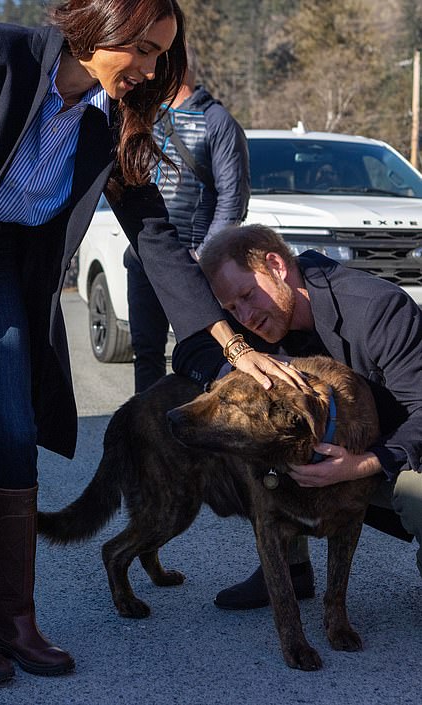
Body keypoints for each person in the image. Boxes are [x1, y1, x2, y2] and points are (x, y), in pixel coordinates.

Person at [0, 0, 298, 687]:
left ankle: (15, 620)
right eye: (141, 48)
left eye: (162, 54)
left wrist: (229, 343)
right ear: (100, 28)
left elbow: (156, 238)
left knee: (16, 432)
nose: (151, 68)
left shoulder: (112, 119)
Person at [176, 223, 422, 609]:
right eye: (231, 310)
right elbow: (188, 352)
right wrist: (242, 365)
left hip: (394, 450)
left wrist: (361, 465)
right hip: (323, 454)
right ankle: (288, 567)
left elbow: (421, 412)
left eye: (246, 296)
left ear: (275, 265)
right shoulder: (247, 327)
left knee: (418, 495)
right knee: (239, 428)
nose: (245, 317)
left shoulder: (378, 310)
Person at [124, 45, 250, 392]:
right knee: (146, 352)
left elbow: (232, 199)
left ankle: (198, 436)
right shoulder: (142, 114)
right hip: (145, 258)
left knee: (201, 355)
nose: (149, 72)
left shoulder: (217, 121)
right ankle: (143, 435)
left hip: (194, 262)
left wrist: (205, 258)